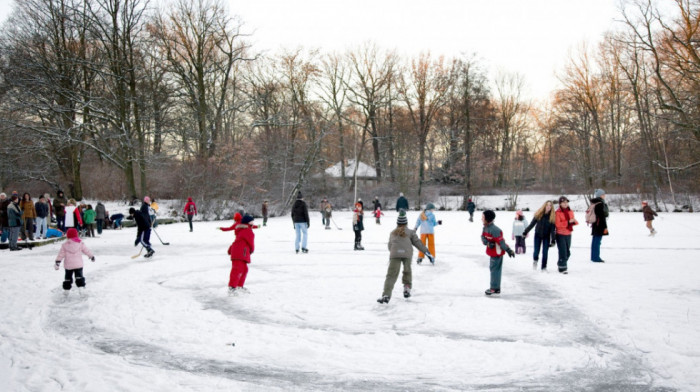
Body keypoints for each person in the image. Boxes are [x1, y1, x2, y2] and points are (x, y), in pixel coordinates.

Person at [377, 209, 433, 304]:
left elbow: (389, 245)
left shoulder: (392, 232)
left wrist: (394, 253)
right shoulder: (411, 232)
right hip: (407, 253)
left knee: (391, 275)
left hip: (395, 254)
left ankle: (386, 295)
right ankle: (407, 288)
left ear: (397, 223)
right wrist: (427, 252)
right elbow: (418, 243)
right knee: (407, 271)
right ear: (406, 223)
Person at [481, 210, 515, 295]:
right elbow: (483, 237)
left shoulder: (495, 230)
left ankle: (494, 288)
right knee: (493, 269)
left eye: (483, 217)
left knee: (495, 269)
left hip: (497, 252)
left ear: (487, 219)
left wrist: (508, 250)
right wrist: (488, 242)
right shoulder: (485, 228)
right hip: (492, 252)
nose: (481, 219)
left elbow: (501, 242)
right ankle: (495, 288)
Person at [54, 228, 95, 294]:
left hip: (68, 265)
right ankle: (81, 287)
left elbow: (61, 254)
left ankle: (66, 290)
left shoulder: (65, 245)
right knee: (79, 277)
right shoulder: (80, 243)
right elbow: (86, 250)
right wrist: (91, 256)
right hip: (78, 264)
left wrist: (57, 262)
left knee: (68, 278)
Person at [523, 200, 557, 271]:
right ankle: (535, 261)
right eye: (547, 205)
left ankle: (544, 267)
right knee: (536, 251)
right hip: (537, 235)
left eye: (550, 205)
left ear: (552, 207)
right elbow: (532, 224)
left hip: (546, 236)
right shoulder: (539, 214)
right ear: (544, 206)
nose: (548, 207)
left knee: (545, 252)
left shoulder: (552, 217)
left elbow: (552, 230)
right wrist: (525, 232)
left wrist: (553, 240)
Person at [227, 214, 256, 294]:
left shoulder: (243, 230)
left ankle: (239, 286)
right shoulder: (247, 231)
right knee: (237, 270)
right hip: (240, 253)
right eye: (252, 221)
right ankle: (232, 288)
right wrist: (252, 250)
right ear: (248, 222)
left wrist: (231, 249)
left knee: (244, 269)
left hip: (241, 252)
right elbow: (251, 242)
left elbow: (237, 240)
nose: (253, 223)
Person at [555, 196, 578, 274]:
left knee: (568, 252)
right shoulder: (557, 213)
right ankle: (562, 268)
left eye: (566, 202)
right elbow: (558, 224)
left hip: (568, 233)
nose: (565, 204)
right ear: (560, 204)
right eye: (563, 202)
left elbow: (574, 221)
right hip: (560, 234)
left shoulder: (570, 211)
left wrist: (573, 221)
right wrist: (568, 222)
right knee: (563, 252)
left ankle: (560, 263)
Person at [590, 189, 608, 263]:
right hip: (599, 225)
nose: (604, 196)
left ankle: (593, 256)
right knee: (597, 241)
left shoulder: (594, 203)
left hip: (595, 224)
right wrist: (605, 227)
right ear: (600, 195)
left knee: (595, 241)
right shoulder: (600, 204)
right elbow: (602, 217)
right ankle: (596, 257)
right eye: (603, 194)